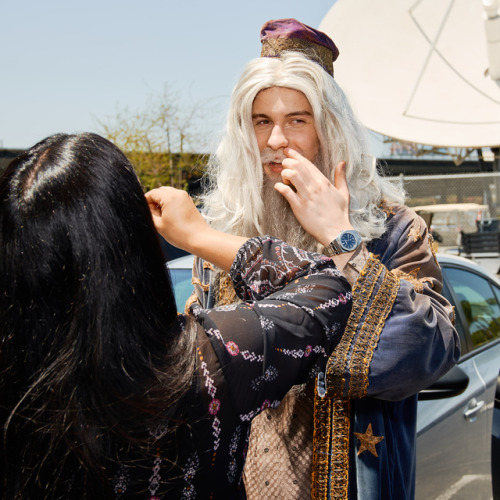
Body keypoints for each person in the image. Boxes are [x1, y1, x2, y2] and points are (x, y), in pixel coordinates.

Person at [191, 19, 460, 500]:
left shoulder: (394, 228)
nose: (277, 141)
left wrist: (340, 237)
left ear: (331, 128)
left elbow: (432, 349)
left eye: (298, 119)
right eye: (262, 121)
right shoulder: (223, 235)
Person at [0, 132, 353, 498]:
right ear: (132, 239)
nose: (277, 138)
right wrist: (197, 235)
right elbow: (326, 287)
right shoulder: (209, 359)